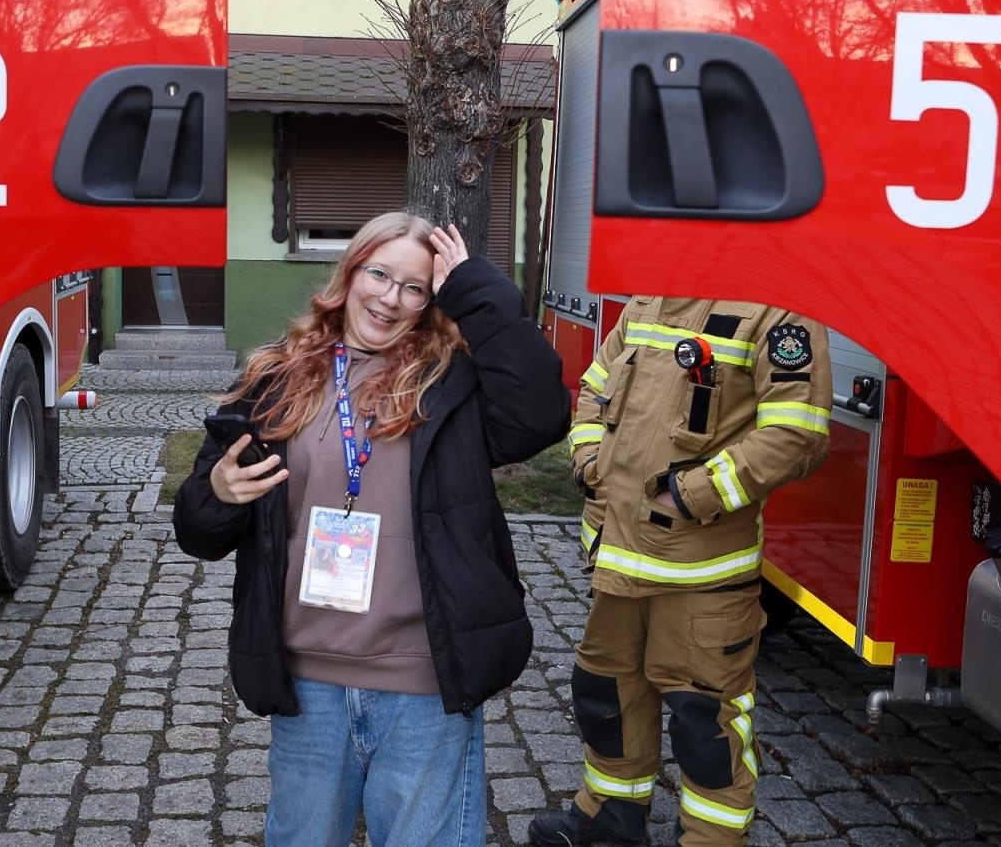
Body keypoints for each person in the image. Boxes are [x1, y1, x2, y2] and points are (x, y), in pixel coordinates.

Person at [174, 211, 569, 847]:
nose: (390, 299)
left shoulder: (454, 387)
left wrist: (476, 288)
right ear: (350, 273)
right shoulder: (276, 379)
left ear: (430, 300)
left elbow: (544, 412)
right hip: (308, 686)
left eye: (414, 287)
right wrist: (218, 493)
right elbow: (199, 530)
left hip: (423, 683)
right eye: (379, 274)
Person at [529, 297, 832, 847]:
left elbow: (797, 434)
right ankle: (609, 816)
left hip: (704, 573)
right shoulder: (646, 302)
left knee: (705, 720)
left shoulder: (779, 310)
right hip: (619, 559)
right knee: (606, 693)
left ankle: (711, 839)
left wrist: (691, 495)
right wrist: (590, 463)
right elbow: (595, 390)